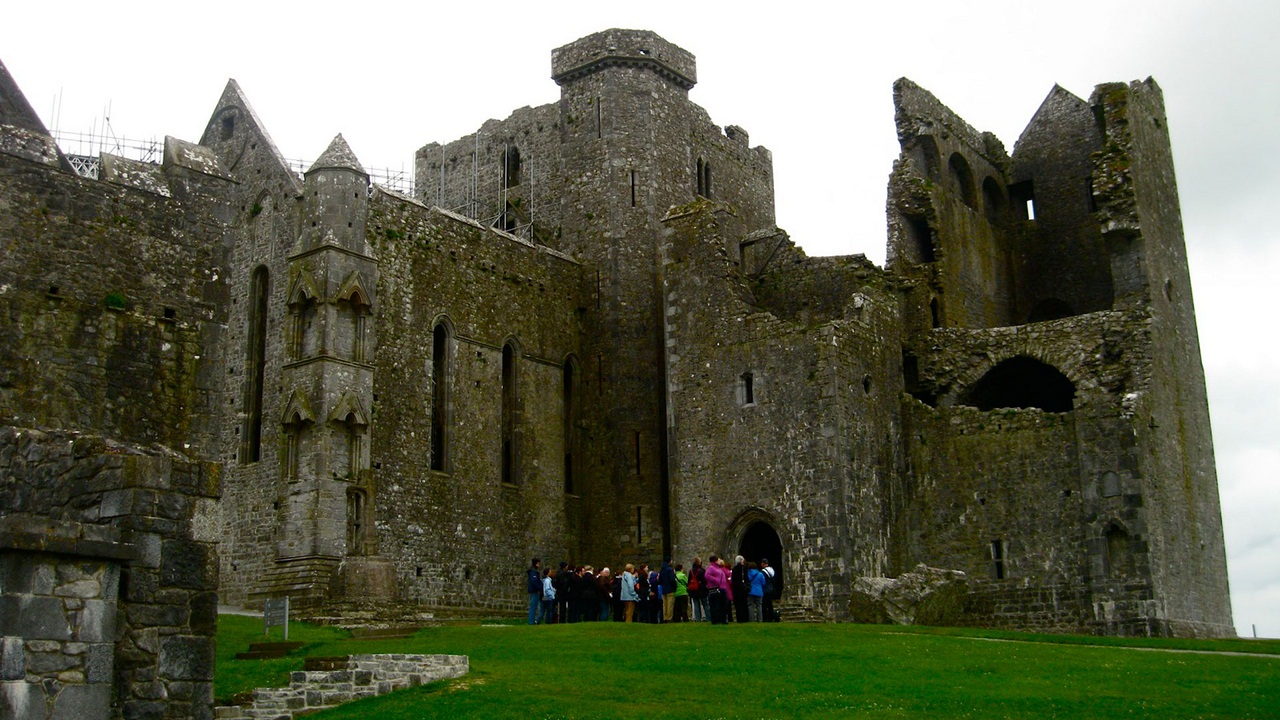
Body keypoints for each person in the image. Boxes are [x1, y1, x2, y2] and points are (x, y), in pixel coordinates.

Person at [704, 554, 729, 625]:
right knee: (716, 605)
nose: (719, 561)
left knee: (723, 605)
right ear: (715, 561)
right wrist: (716, 580)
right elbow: (707, 575)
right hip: (716, 588)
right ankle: (715, 620)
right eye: (718, 560)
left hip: (722, 588)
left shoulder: (718, 568)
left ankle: (722, 619)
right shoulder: (711, 568)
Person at [688, 557, 709, 622]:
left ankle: (698, 619)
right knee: (705, 604)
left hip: (694, 590)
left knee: (696, 605)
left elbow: (689, 581)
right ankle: (708, 618)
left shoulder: (691, 571)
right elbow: (705, 580)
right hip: (702, 589)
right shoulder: (702, 571)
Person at [731, 555, 749, 623]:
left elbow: (733, 581)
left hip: (736, 591)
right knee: (744, 605)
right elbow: (746, 579)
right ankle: (745, 619)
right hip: (742, 590)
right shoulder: (743, 569)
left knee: (738, 606)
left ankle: (739, 619)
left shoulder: (734, 569)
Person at [659, 558, 678, 623]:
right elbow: (672, 579)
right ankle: (669, 618)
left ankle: (665, 617)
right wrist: (675, 586)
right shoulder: (669, 570)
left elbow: (659, 580)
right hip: (670, 589)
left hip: (664, 589)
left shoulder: (662, 570)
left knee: (665, 605)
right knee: (670, 604)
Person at [760, 558, 778, 622]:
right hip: (771, 589)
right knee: (770, 604)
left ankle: (765, 618)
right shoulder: (772, 570)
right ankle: (771, 617)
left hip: (765, 590)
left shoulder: (763, 572)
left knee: (764, 605)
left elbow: (763, 581)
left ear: (763, 564)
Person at [526, 558, 542, 625]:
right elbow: (534, 582)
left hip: (534, 591)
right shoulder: (533, 572)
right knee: (533, 606)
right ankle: (531, 621)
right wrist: (539, 588)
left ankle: (532, 620)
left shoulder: (533, 571)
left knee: (534, 606)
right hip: (534, 591)